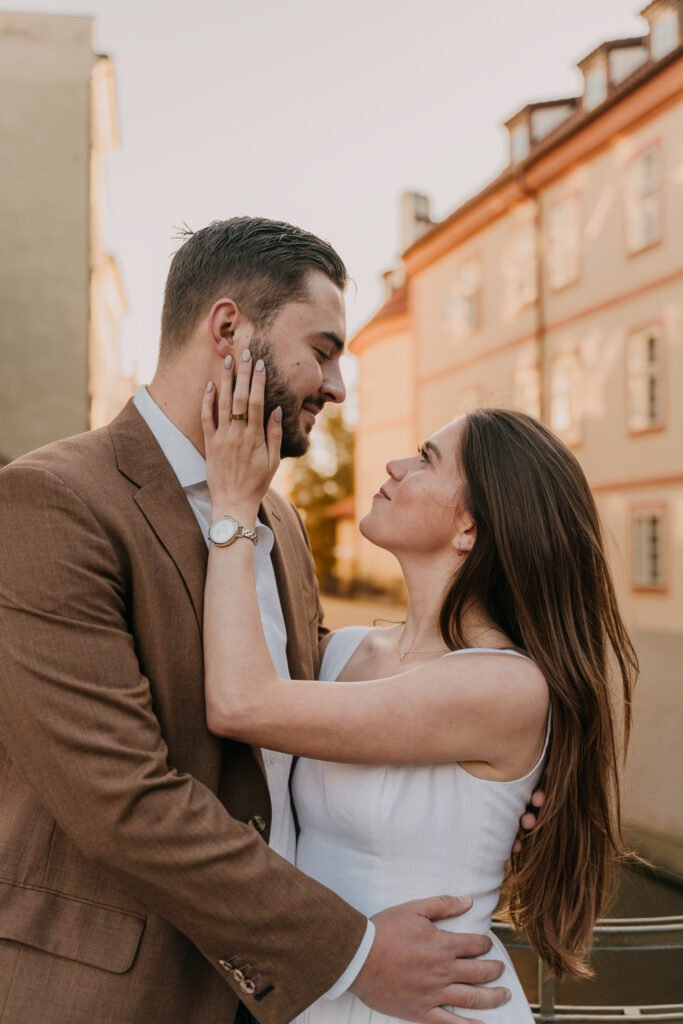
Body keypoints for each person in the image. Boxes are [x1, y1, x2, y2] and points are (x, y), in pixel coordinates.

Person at [0, 218, 538, 1024]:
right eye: (321, 350)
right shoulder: (52, 501)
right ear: (227, 330)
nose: (337, 386)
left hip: (275, 999)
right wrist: (353, 952)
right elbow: (122, 801)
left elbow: (324, 708)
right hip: (120, 993)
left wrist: (500, 785)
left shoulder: (276, 522)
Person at [199, 355, 638, 1022]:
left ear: (469, 528)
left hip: (435, 1004)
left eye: (425, 460)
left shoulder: (504, 686)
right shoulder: (342, 651)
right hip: (324, 989)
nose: (394, 467)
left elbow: (240, 702)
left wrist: (232, 505)